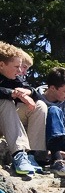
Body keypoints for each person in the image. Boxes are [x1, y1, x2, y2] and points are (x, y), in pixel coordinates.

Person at [0, 41, 48, 175]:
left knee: (39, 106)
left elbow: (36, 94)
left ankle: (30, 156)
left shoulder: (13, 76)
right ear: (2, 65)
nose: (20, 71)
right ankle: (19, 154)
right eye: (16, 66)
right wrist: (12, 93)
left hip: (5, 121)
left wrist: (27, 92)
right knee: (5, 101)